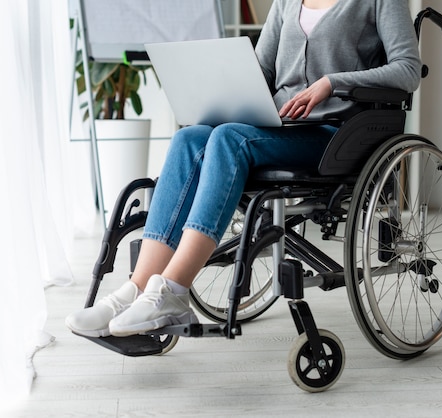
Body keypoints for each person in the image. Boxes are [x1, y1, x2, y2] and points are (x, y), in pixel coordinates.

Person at [66, 0, 422, 338]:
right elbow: (260, 71)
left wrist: (333, 82)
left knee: (228, 140)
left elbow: (408, 69)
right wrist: (222, 91)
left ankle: (173, 290)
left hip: (335, 134)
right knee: (189, 138)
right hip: (278, 127)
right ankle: (137, 289)